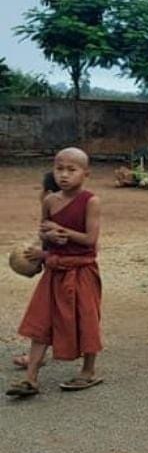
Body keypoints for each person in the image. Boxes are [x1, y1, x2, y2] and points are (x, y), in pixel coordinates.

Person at [7, 150, 104, 398]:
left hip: (81, 269)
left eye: (72, 170)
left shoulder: (91, 201)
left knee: (86, 319)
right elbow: (43, 232)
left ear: (86, 173)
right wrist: (46, 240)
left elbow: (90, 239)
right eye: (59, 169)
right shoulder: (50, 201)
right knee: (41, 321)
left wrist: (63, 231)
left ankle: (88, 372)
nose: (64, 175)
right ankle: (30, 378)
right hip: (54, 270)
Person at [12, 172, 59, 369]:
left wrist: (41, 256)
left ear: (47, 193)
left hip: (63, 273)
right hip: (59, 272)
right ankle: (36, 358)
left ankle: (87, 366)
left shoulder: (54, 215)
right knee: (48, 316)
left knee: (44, 317)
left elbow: (60, 250)